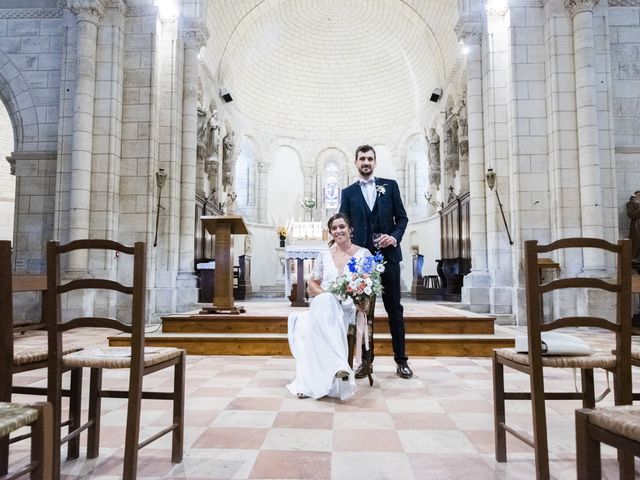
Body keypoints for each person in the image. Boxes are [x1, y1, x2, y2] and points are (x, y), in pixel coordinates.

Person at [339, 145, 412, 379]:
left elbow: (402, 218)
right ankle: (366, 362)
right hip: (362, 262)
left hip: (388, 258)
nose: (366, 162)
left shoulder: (390, 186)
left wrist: (394, 237)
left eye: (370, 158)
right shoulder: (348, 192)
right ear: (356, 162)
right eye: (362, 159)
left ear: (375, 162)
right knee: (363, 313)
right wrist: (349, 250)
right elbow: (343, 223)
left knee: (394, 310)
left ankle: (401, 361)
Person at [286, 213, 370, 400]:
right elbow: (312, 283)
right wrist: (327, 296)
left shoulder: (363, 254)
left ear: (350, 229)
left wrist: (360, 299)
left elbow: (369, 286)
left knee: (310, 324)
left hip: (348, 309)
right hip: (325, 307)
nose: (338, 231)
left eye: (342, 227)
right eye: (334, 228)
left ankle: (315, 380)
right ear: (330, 232)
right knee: (324, 302)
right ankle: (339, 367)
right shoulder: (325, 254)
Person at [627, 191, 640, 263]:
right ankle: (633, 259)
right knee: (637, 241)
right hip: (636, 226)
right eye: (639, 195)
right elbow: (631, 214)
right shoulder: (631, 204)